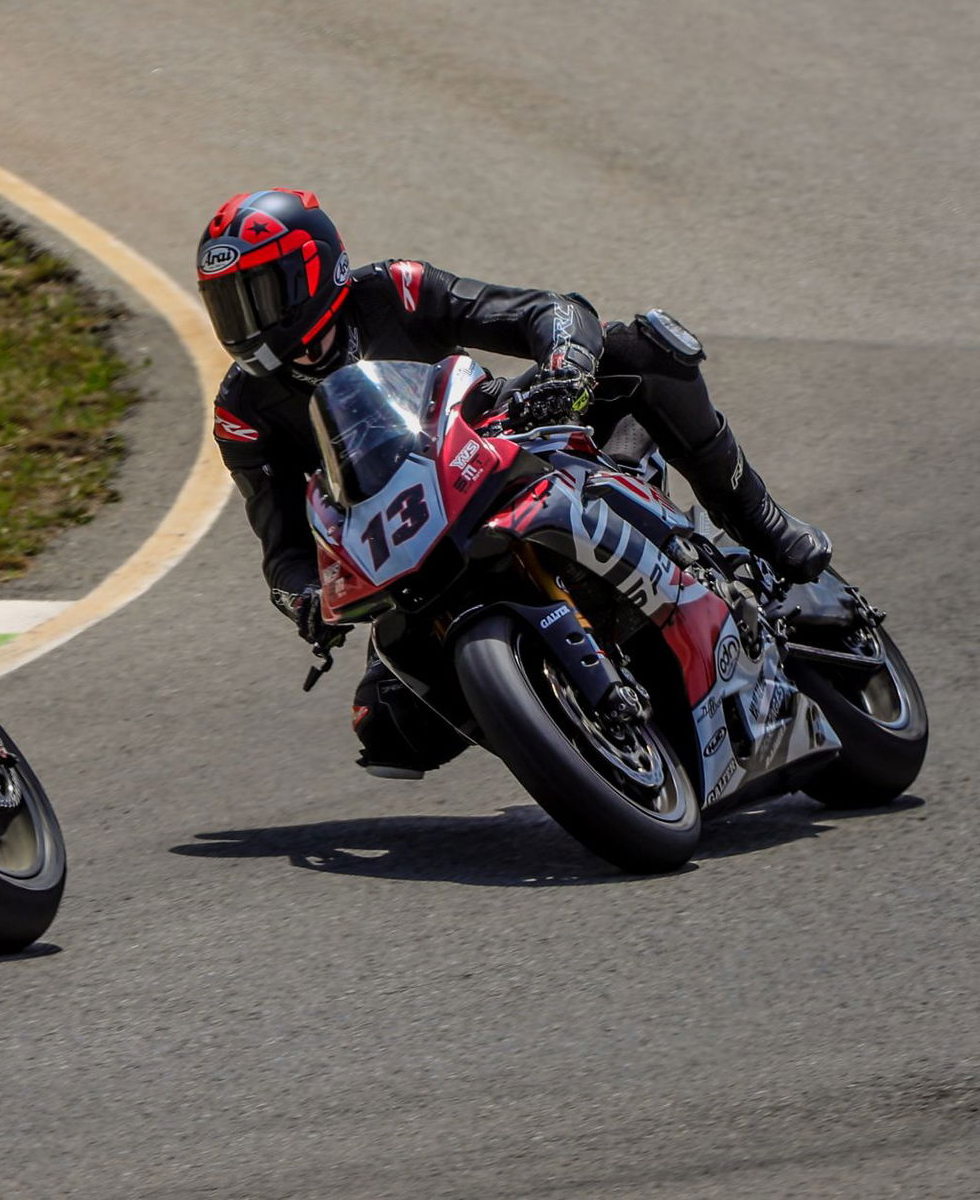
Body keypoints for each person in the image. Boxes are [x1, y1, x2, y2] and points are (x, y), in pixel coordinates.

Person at [196, 188, 831, 778]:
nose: (245, 321)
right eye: (227, 302)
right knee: (390, 729)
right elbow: (280, 544)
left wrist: (565, 364)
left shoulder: (395, 289)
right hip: (409, 545)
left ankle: (764, 525)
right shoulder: (242, 412)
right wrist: (305, 598)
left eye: (258, 294)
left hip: (497, 449)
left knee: (637, 350)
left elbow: (544, 311)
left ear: (316, 271)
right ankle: (576, 738)